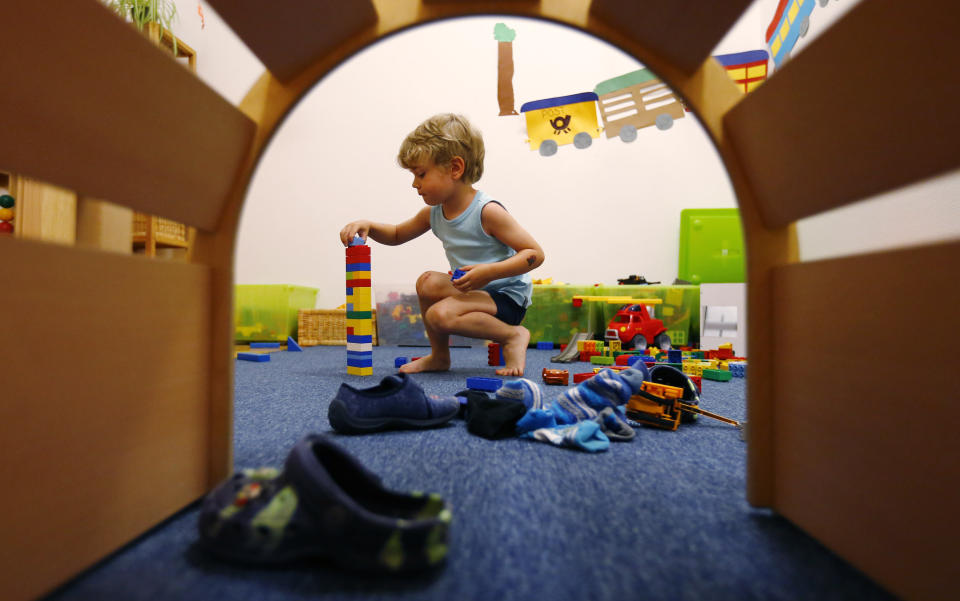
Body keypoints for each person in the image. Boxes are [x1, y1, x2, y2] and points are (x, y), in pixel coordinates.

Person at [340, 113, 544, 376]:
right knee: (426, 281)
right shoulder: (435, 212)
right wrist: (369, 224)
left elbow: (535, 254)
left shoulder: (487, 211)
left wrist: (488, 272)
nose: (415, 184)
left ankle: (512, 335)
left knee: (440, 315)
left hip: (507, 299)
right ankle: (439, 357)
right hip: (473, 291)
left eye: (421, 174)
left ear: (455, 169)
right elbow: (397, 234)